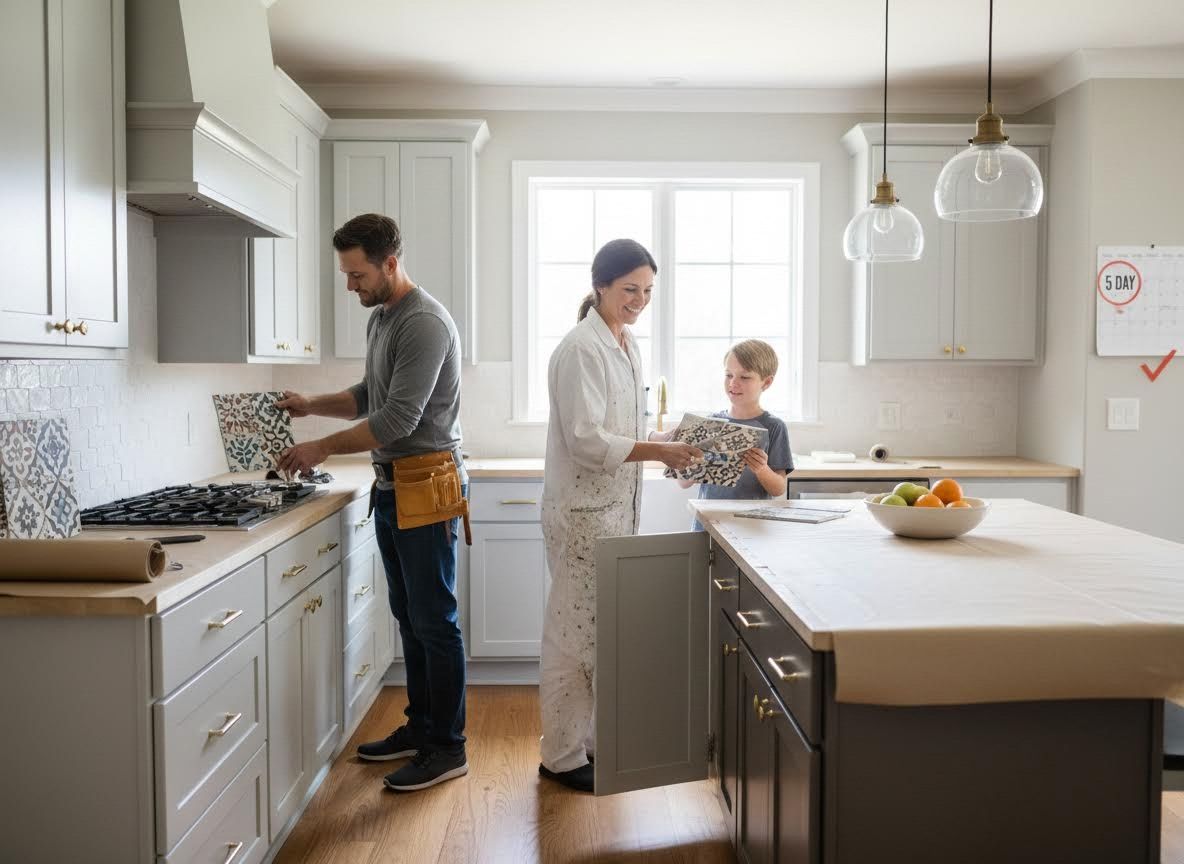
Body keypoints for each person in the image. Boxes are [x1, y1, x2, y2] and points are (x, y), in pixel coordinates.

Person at [275, 213, 468, 792]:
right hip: (392, 484)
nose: (351, 285)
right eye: (346, 274)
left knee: (435, 621)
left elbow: (396, 418)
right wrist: (312, 404)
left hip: (426, 482)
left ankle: (448, 747)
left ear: (389, 263)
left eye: (357, 274)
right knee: (410, 616)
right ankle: (422, 726)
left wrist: (322, 448)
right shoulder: (383, 318)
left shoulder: (425, 322)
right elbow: (368, 395)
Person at [538, 239, 703, 793]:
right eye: (630, 288)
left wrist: (665, 440)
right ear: (601, 284)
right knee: (574, 639)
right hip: (584, 516)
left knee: (594, 637)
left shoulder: (624, 344)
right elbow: (586, 440)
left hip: (610, 514)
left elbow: (616, 430)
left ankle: (581, 746)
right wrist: (658, 453)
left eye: (648, 291)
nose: (639, 300)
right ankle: (560, 758)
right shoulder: (581, 349)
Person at [680, 339, 793, 529]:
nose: (733, 383)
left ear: (766, 382)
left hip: (751, 526)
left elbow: (779, 488)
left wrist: (762, 470)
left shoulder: (774, 427)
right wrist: (695, 463)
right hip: (708, 524)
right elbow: (683, 483)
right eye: (728, 375)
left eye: (745, 377)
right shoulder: (710, 424)